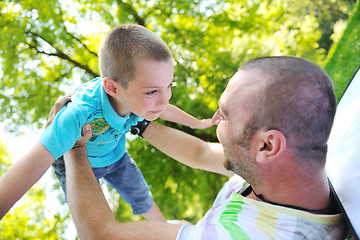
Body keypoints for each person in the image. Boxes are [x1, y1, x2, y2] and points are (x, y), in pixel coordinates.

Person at [60, 56, 345, 239]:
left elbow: (101, 233)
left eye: (225, 114)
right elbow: (200, 153)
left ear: (267, 144)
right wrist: (138, 123)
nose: (216, 119)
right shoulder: (292, 168)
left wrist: (73, 146)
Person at [0, 24, 212, 221]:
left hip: (116, 157)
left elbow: (166, 110)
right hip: (80, 164)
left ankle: (165, 229)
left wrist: (197, 123)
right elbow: (33, 164)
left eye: (168, 86)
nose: (165, 98)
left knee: (141, 195)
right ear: (113, 88)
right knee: (93, 218)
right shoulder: (79, 112)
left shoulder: (141, 99)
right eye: (152, 91)